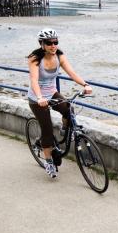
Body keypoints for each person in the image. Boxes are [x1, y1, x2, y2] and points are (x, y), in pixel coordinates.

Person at [27, 28, 92, 178]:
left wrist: (85, 85)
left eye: (55, 42)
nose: (53, 45)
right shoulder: (34, 58)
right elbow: (34, 80)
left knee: (69, 109)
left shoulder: (59, 56)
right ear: (42, 44)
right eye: (49, 43)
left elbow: (72, 73)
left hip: (52, 93)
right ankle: (49, 162)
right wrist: (39, 97)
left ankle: (64, 129)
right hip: (37, 99)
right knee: (47, 130)